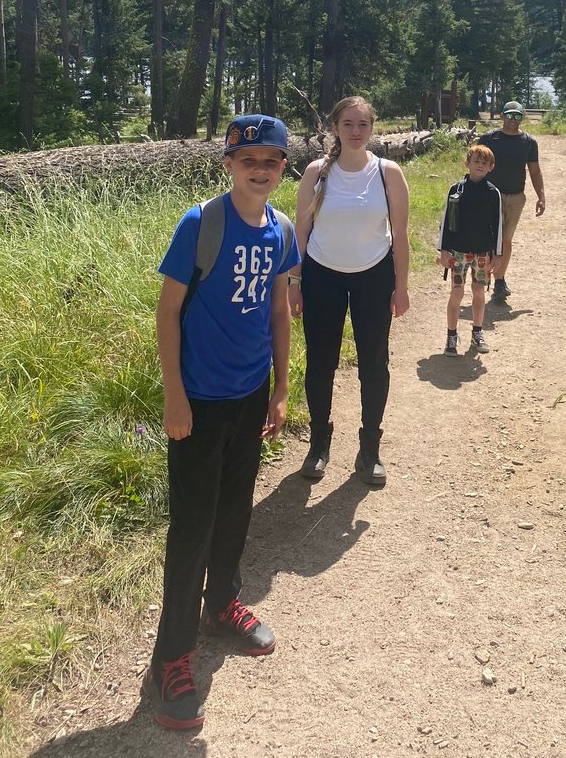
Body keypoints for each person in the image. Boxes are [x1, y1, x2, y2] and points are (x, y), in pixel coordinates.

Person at [142, 114, 299, 731]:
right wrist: (174, 395)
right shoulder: (201, 224)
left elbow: (281, 310)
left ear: (283, 168)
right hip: (200, 401)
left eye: (272, 161)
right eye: (249, 159)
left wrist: (281, 389)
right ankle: (172, 657)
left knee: (236, 509)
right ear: (228, 165)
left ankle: (223, 605)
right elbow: (168, 310)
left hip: (250, 392)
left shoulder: (281, 230)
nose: (261, 170)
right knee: (192, 527)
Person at [288, 96, 410, 487]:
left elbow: (401, 236)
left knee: (374, 364)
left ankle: (369, 449)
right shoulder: (316, 173)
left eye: (363, 125)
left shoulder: (388, 173)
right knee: (320, 363)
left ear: (372, 129)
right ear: (335, 128)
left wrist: (402, 286)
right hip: (322, 276)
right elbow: (300, 233)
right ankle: (319, 442)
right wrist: (295, 282)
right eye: (348, 125)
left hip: (374, 277)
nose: (356, 132)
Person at [437, 143, 503, 355]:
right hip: (458, 252)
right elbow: (446, 220)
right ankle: (451, 336)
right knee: (457, 292)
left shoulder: (493, 193)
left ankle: (477, 333)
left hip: (482, 253)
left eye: (485, 163)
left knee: (478, 292)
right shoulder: (456, 190)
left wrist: (497, 253)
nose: (480, 166)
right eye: (476, 161)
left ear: (491, 167)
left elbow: (498, 225)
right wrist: (443, 249)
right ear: (467, 163)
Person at [478, 101, 546, 300]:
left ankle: (500, 281)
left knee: (506, 241)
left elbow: (534, 170)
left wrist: (541, 196)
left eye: (517, 116)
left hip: (516, 197)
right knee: (489, 239)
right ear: (502, 116)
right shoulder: (489, 139)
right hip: (490, 196)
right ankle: (483, 278)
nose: (512, 120)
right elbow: (476, 165)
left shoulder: (528, 142)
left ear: (521, 118)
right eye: (509, 115)